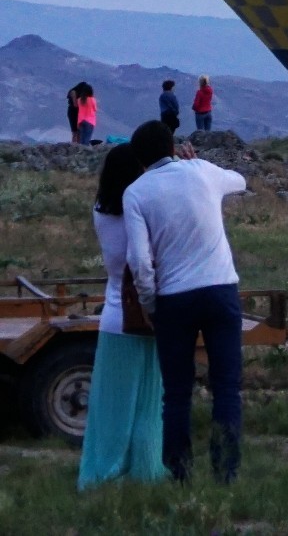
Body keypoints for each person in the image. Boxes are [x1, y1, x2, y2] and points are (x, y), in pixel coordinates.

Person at [122, 120, 247, 483]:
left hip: (174, 298)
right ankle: (226, 472)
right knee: (226, 386)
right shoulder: (202, 172)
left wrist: (149, 302)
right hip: (221, 288)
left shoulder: (136, 193)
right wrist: (201, 164)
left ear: (140, 158)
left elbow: (140, 261)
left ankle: (180, 473)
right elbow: (240, 181)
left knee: (176, 393)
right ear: (173, 146)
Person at [78, 144, 167, 488]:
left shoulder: (99, 212)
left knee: (112, 407)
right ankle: (146, 468)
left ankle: (106, 467)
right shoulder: (143, 212)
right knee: (148, 402)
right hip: (150, 316)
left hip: (116, 317)